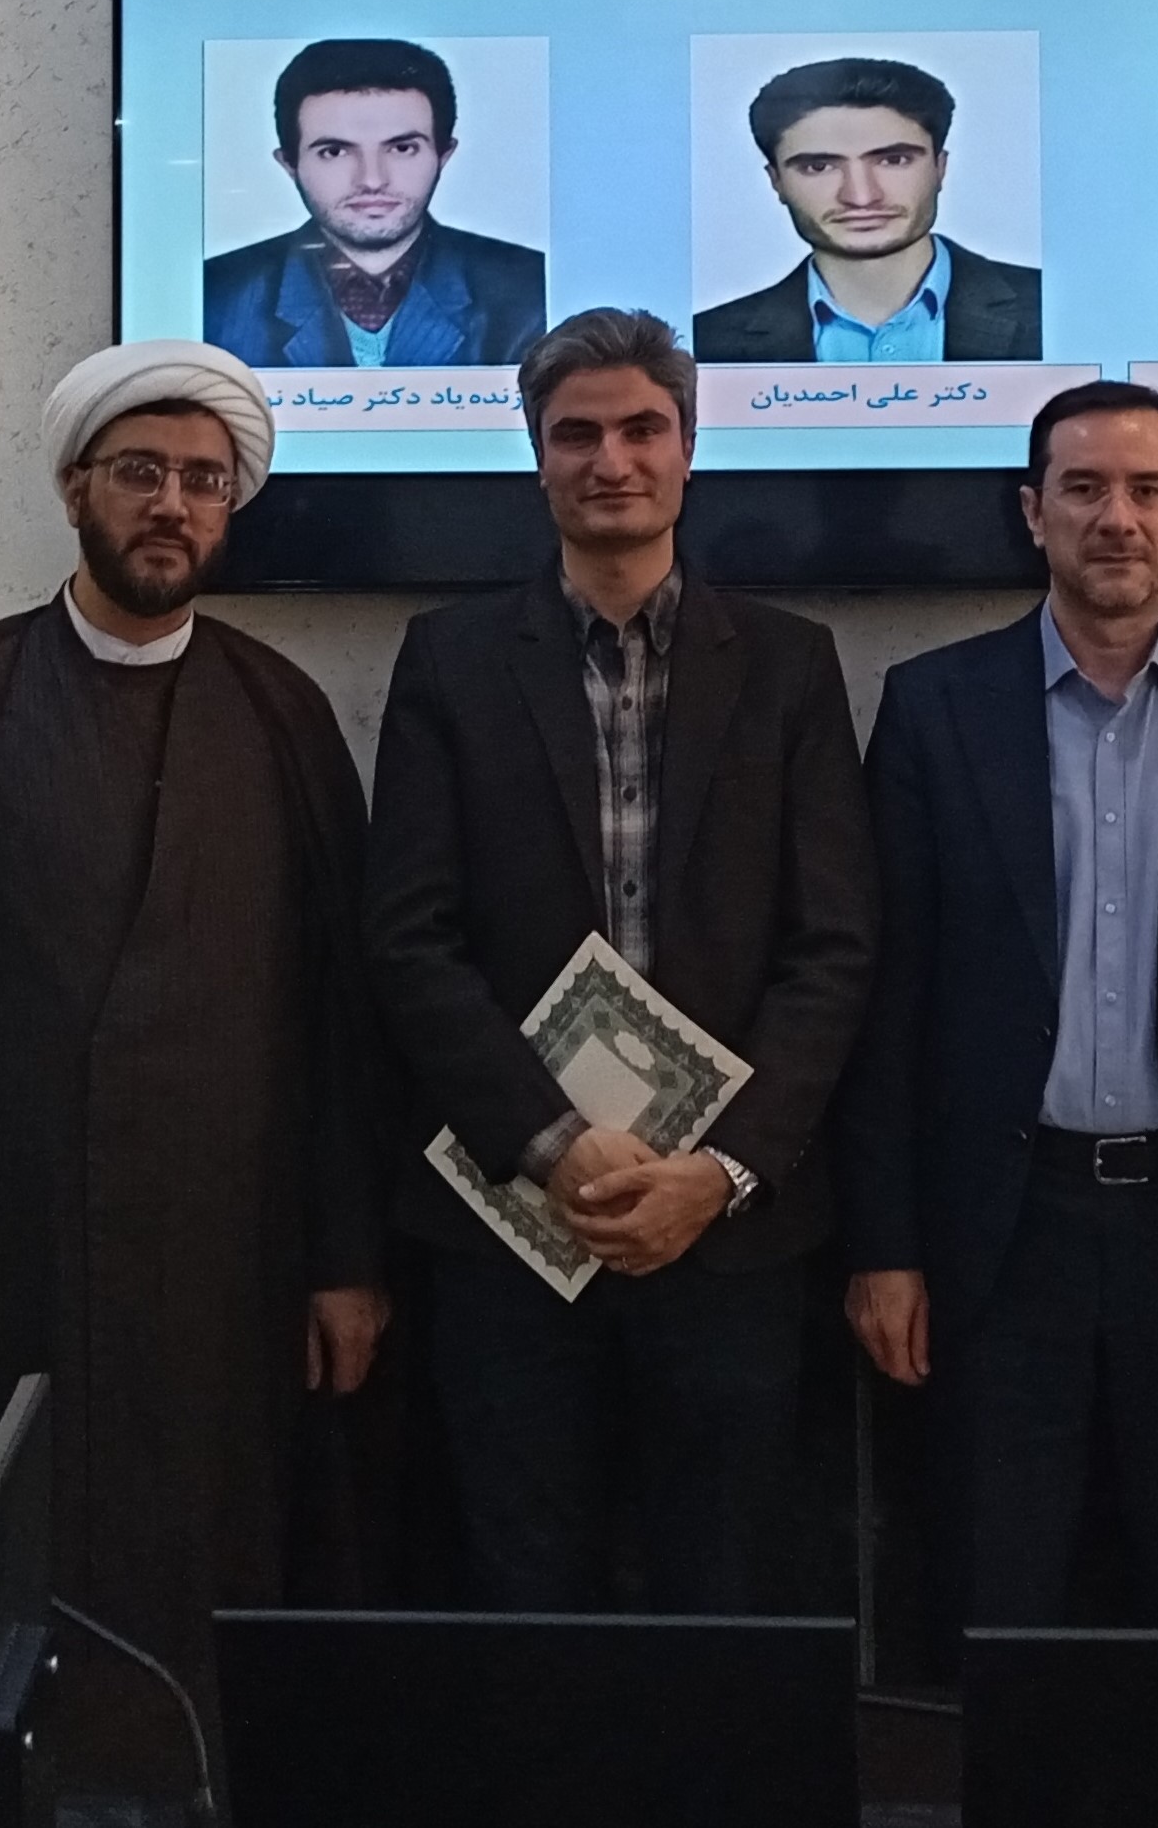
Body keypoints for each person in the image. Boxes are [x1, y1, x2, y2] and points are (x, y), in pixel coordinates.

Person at [0, 343, 387, 1788]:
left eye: (202, 481)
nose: (170, 504)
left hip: (225, 1293)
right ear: (73, 489)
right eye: (139, 473)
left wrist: (346, 1260)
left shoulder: (286, 717)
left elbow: (339, 1032)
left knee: (204, 1618)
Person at [368, 307, 878, 1611]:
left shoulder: (788, 664)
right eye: (576, 433)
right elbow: (411, 939)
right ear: (536, 455)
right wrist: (554, 1145)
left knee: (724, 1595)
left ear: (688, 448)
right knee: (524, 1591)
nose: (611, 459)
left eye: (642, 428)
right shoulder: (448, 660)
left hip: (726, 1237)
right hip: (514, 1228)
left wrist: (719, 1170)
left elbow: (831, 948)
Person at [837, 380, 1158, 1628]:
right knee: (992, 1600)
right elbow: (886, 1004)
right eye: (1081, 489)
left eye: (1144, 490)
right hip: (996, 1235)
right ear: (1032, 513)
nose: (1114, 518)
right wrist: (883, 1244)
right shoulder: (932, 709)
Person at [203, 37, 549, 367]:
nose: (372, 179)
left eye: (402, 148)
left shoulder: (531, 289)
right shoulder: (215, 295)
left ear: (443, 155)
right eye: (334, 151)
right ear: (289, 164)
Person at [691, 56, 1046, 363]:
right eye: (819, 166)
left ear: (940, 168)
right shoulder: (707, 340)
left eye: (894, 160)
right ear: (776, 182)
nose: (861, 197)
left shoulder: (1048, 306)